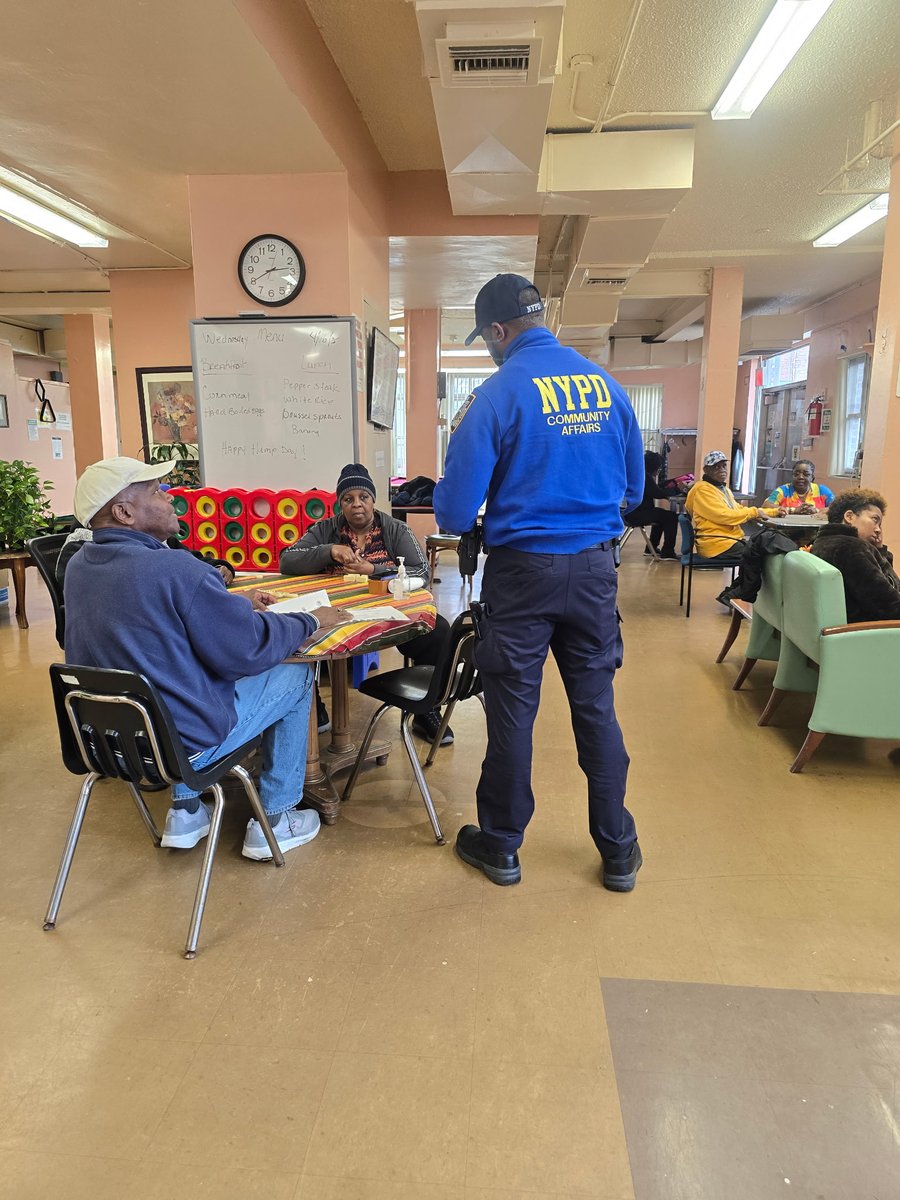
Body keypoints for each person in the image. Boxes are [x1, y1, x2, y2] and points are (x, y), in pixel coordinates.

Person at [433, 273, 644, 892]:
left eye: (487, 339)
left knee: (513, 715)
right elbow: (633, 491)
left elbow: (450, 514)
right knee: (597, 711)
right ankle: (619, 849)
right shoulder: (608, 388)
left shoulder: (497, 395)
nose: (489, 349)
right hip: (596, 572)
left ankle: (501, 846)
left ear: (499, 332)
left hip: (522, 575)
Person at [64, 456, 348, 859]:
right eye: (156, 492)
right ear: (124, 512)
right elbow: (247, 650)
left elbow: (156, 619)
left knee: (169, 674)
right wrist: (308, 620)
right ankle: (276, 817)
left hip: (111, 744)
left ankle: (185, 811)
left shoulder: (79, 567)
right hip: (181, 745)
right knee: (296, 675)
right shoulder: (174, 567)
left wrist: (227, 602)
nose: (170, 499)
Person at [280, 462, 454, 746]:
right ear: (340, 504)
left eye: (363, 497)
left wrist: (372, 571)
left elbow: (421, 572)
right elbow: (287, 560)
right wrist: (329, 551)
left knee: (439, 632)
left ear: (373, 500)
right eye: (348, 499)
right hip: (334, 611)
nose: (356, 505)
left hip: (387, 611)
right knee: (298, 634)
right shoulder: (325, 530)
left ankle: (427, 708)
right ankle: (315, 708)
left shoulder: (395, 529)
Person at [810, 488, 900, 623]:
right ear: (849, 517)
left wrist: (880, 550)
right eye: (875, 520)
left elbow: (886, 584)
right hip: (866, 633)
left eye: (880, 525)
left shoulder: (822, 542)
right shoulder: (852, 549)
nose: (878, 530)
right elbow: (890, 607)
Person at [685, 450, 780, 565]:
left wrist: (774, 512)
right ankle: (746, 583)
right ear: (706, 470)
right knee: (762, 554)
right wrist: (754, 513)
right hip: (717, 544)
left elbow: (737, 509)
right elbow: (725, 516)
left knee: (765, 542)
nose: (722, 470)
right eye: (716, 467)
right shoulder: (703, 490)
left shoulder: (722, 488)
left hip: (728, 540)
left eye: (724, 466)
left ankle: (744, 583)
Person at [624, 450, 682, 558]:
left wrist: (667, 487)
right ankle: (668, 551)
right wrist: (671, 493)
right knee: (671, 517)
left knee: (661, 517)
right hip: (638, 514)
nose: (659, 470)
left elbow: (654, 488)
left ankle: (651, 548)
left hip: (633, 512)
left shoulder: (640, 475)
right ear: (654, 467)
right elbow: (656, 492)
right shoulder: (644, 477)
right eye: (659, 467)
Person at [765, 459, 834, 512]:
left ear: (812, 477)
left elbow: (836, 508)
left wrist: (816, 510)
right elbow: (766, 505)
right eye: (796, 474)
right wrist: (794, 510)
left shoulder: (822, 491)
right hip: (787, 529)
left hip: (816, 529)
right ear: (792, 476)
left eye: (806, 474)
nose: (800, 477)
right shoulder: (783, 490)